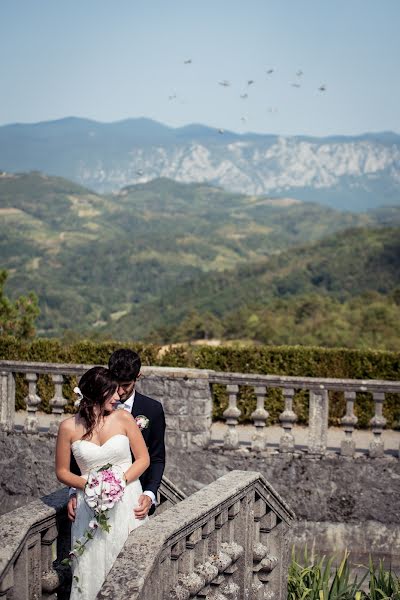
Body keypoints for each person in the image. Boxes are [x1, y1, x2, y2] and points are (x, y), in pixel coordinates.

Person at [56, 366, 150, 600]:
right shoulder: (68, 426)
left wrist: (119, 481)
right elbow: (62, 472)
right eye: (113, 392)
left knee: (128, 563)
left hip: (127, 500)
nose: (119, 396)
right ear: (98, 393)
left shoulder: (124, 418)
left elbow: (143, 459)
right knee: (90, 566)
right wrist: (88, 485)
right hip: (89, 505)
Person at [67, 349, 166, 521]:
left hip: (134, 500)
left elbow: (156, 457)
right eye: (115, 384)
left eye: (125, 385)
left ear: (138, 376)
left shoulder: (152, 410)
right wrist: (74, 491)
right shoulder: (92, 407)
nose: (119, 392)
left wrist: (150, 493)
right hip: (92, 501)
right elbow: (78, 453)